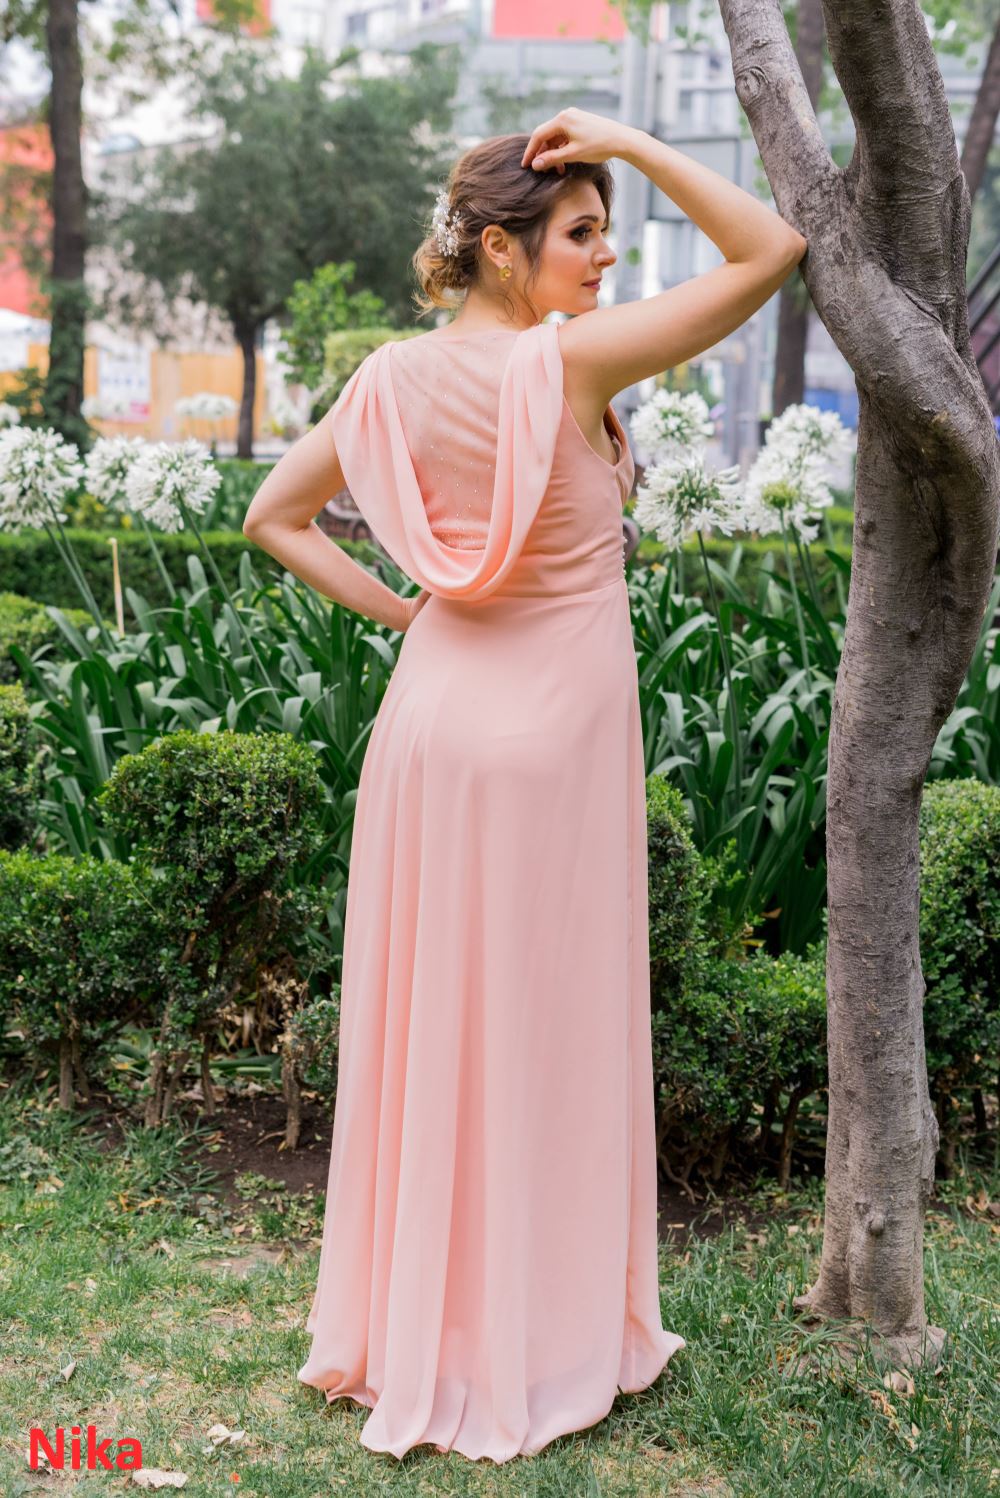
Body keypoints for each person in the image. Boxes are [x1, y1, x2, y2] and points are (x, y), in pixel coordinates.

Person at [243, 108, 807, 1463]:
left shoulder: (389, 379)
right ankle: (535, 1337)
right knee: (543, 1036)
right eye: (583, 230)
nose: (606, 256)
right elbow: (771, 249)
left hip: (433, 729)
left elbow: (273, 516)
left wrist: (410, 615)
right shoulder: (568, 361)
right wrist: (636, 140)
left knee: (443, 1029)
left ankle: (427, 1331)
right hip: (549, 746)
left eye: (608, 231)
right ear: (502, 248)